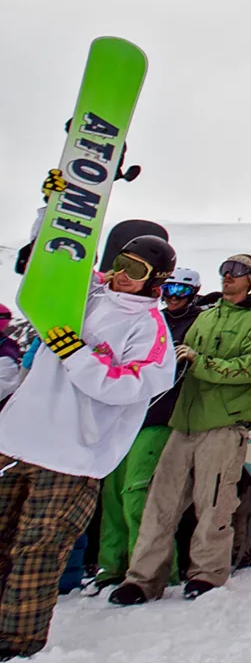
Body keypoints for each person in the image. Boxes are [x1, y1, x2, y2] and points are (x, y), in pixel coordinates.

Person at [0, 234, 178, 658]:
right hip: (18, 437)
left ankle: (17, 641)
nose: (122, 274)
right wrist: (53, 208)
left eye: (135, 270)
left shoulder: (150, 330)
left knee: (37, 550)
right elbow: (50, 265)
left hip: (71, 456)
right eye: (121, 262)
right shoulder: (90, 289)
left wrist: (77, 354)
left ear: (156, 280)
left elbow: (130, 386)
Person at [109, 254, 251, 602]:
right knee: (159, 503)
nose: (229, 276)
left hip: (223, 424)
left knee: (213, 504)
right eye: (225, 269)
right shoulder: (206, 316)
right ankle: (142, 578)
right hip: (182, 423)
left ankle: (208, 574)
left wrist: (201, 363)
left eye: (238, 271)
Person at [89, 266, 209, 593]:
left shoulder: (197, 323)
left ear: (193, 293)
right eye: (169, 290)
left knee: (136, 493)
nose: (173, 298)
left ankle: (152, 567)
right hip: (126, 416)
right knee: (112, 495)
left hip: (160, 417)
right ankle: (110, 567)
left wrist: (192, 356)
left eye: (181, 292)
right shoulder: (150, 320)